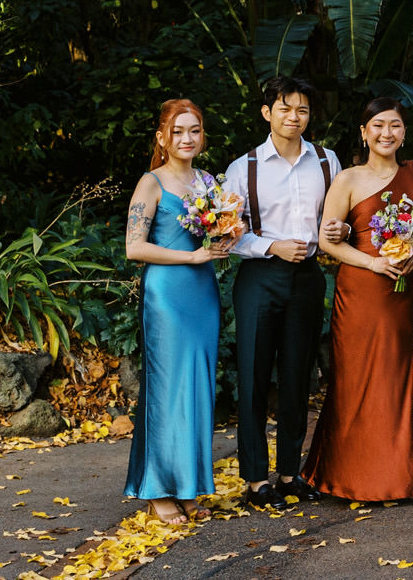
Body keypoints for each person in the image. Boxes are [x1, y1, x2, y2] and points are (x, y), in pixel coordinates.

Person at [303, 98, 413, 503]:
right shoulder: (347, 179)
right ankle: (344, 475)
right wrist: (373, 262)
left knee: (393, 377)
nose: (387, 133)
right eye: (378, 125)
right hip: (361, 289)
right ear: (364, 132)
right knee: (354, 378)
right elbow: (327, 242)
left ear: (404, 132)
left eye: (395, 125)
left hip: (400, 289)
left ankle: (391, 478)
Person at [222, 76, 346, 507]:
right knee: (254, 376)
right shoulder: (244, 168)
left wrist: (342, 229)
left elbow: (341, 217)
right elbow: (227, 234)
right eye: (285, 108)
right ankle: (257, 480)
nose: (294, 117)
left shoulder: (327, 161)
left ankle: (291, 473)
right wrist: (270, 246)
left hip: (308, 277)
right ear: (267, 112)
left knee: (298, 375)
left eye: (302, 110)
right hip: (260, 277)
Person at [123, 100, 236, 524]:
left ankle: (188, 486)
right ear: (162, 138)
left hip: (202, 294)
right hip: (168, 295)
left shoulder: (208, 182)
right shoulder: (151, 183)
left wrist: (226, 239)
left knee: (197, 387)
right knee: (167, 387)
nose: (187, 138)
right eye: (178, 131)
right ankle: (157, 488)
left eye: (195, 130)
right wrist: (192, 257)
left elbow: (218, 233)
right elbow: (134, 248)